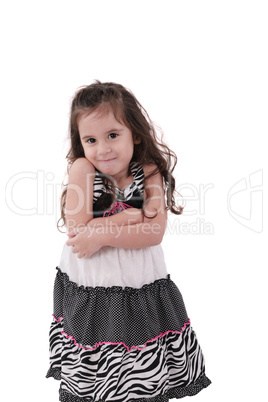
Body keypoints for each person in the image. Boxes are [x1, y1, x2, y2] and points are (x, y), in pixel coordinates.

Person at [46, 81, 211, 401]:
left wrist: (105, 231)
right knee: (98, 350)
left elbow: (154, 231)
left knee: (138, 357)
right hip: (94, 284)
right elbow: (79, 229)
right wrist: (131, 217)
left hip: (139, 282)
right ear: (81, 143)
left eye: (112, 135)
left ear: (134, 133)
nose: (103, 149)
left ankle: (140, 386)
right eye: (91, 140)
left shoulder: (147, 172)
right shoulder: (83, 169)